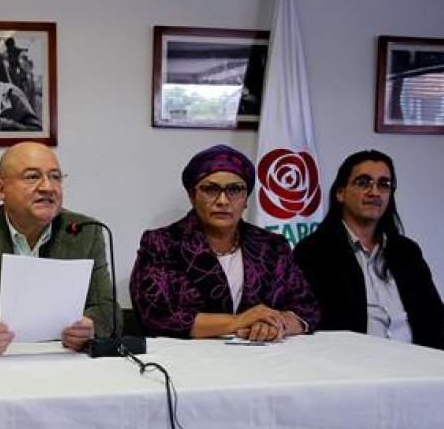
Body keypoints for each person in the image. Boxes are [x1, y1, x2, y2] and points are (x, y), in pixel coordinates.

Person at [0, 141, 116, 354]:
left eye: (55, 177)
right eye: (32, 177)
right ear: (1, 189)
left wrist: (90, 327)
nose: (48, 187)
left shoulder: (85, 232)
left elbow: (107, 310)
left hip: (62, 360)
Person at [130, 144, 319, 341]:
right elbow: (154, 315)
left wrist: (275, 323)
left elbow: (307, 308)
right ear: (192, 196)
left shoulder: (272, 246)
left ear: (246, 199)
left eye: (235, 189)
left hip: (264, 354)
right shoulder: (162, 244)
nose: (223, 201)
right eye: (210, 189)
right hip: (189, 356)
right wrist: (239, 321)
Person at [293, 150, 444, 349]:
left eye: (384, 184)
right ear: (340, 193)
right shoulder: (314, 252)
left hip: (416, 361)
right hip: (352, 363)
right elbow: (313, 321)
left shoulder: (407, 252)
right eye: (363, 183)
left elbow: (433, 317)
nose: (374, 192)